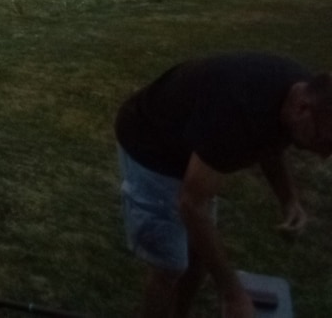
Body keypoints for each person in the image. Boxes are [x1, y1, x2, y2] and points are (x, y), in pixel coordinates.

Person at [115, 53, 332, 318]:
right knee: (169, 265)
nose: (324, 155)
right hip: (150, 143)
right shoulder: (238, 110)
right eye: (325, 141)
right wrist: (233, 294)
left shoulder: (300, 95)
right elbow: (191, 205)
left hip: (194, 142)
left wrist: (289, 198)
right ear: (303, 108)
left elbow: (271, 143)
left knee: (198, 258)